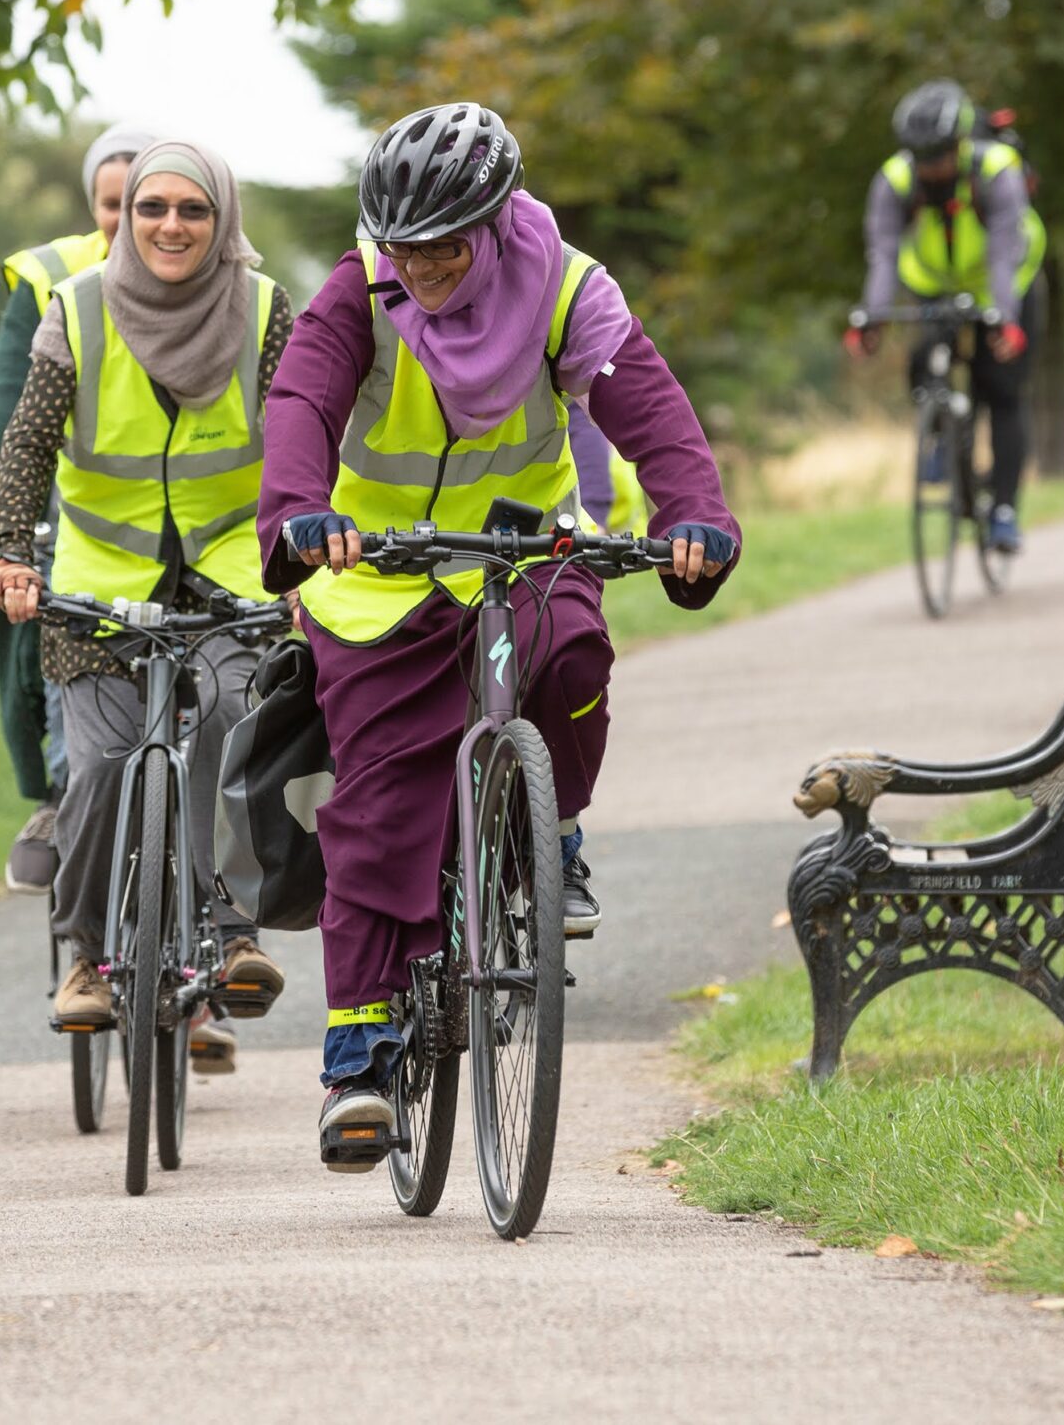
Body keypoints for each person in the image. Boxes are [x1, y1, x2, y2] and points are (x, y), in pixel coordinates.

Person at [258, 102, 739, 1167]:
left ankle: (547, 826)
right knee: (383, 799)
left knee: (573, 656)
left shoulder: (566, 286)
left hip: (520, 549)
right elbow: (300, 397)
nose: (419, 267)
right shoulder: (361, 289)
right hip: (376, 572)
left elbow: (651, 413)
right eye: (401, 245)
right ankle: (359, 1052)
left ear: (493, 221)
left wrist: (692, 515)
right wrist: (298, 508)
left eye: (441, 246)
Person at [0, 139, 289, 1072]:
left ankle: (234, 932)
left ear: (222, 219)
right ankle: (86, 955)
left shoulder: (266, 307)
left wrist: (311, 541)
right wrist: (9, 553)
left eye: (192, 210)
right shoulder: (75, 309)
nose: (169, 225)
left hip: (233, 567)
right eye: (152, 206)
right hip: (99, 576)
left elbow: (303, 430)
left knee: (242, 720)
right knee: (102, 760)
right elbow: (28, 445)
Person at [0, 124, 156, 895]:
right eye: (111, 204)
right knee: (34, 604)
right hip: (72, 503)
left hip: (191, 522)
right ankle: (62, 794)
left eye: (146, 201)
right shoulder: (56, 280)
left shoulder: (219, 278)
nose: (131, 222)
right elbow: (5, 409)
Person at [848, 78, 1047, 551]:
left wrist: (1006, 318)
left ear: (960, 144)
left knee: (1000, 388)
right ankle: (938, 436)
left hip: (1008, 280)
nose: (929, 167)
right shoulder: (895, 179)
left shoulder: (996, 169)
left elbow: (1003, 253)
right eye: (920, 156)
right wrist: (871, 317)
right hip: (936, 282)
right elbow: (883, 253)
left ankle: (1003, 509)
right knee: (925, 358)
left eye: (937, 155)